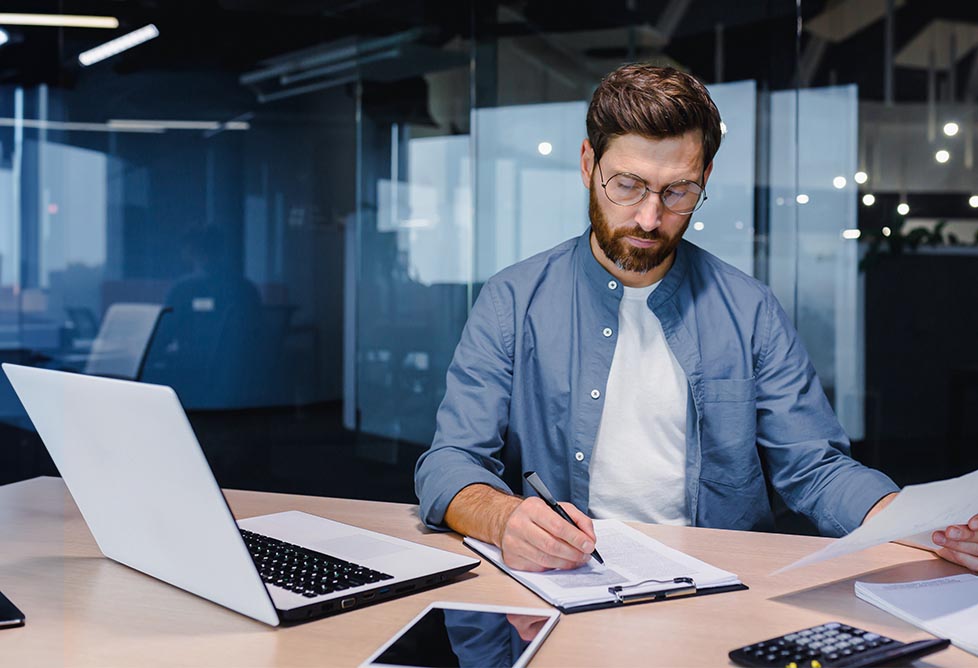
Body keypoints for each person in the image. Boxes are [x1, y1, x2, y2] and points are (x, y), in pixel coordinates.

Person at [414, 64, 978, 574]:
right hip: (570, 583)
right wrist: (503, 517)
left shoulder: (750, 310)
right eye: (627, 184)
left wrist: (924, 525)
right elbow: (450, 462)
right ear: (589, 163)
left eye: (678, 191)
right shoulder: (512, 300)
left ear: (704, 178)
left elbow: (816, 467)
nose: (649, 216)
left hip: (719, 585)